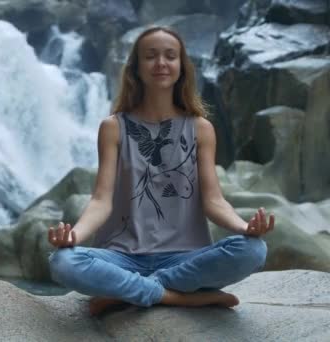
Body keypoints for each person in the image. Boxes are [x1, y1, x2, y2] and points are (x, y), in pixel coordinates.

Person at [47, 26, 274, 316]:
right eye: (150, 56)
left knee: (254, 250)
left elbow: (214, 200)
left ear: (181, 67)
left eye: (170, 56)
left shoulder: (201, 129)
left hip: (184, 258)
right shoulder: (113, 127)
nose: (161, 63)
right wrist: (74, 237)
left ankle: (132, 291)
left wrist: (245, 228)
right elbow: (101, 201)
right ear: (136, 68)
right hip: (121, 256)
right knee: (62, 261)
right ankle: (178, 297)